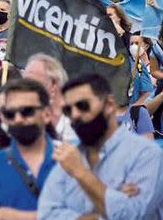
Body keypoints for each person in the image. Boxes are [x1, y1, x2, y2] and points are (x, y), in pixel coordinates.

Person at [38, 73, 163, 219]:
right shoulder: (68, 157)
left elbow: (133, 214)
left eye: (82, 105)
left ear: (109, 104)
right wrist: (112, 198)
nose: (75, 114)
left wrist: (81, 173)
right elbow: (47, 214)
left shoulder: (146, 155)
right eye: (68, 110)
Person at [0, 79, 57, 220]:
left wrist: (7, 215)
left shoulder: (70, 160)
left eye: (27, 111)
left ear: (46, 114)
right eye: (10, 114)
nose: (18, 119)